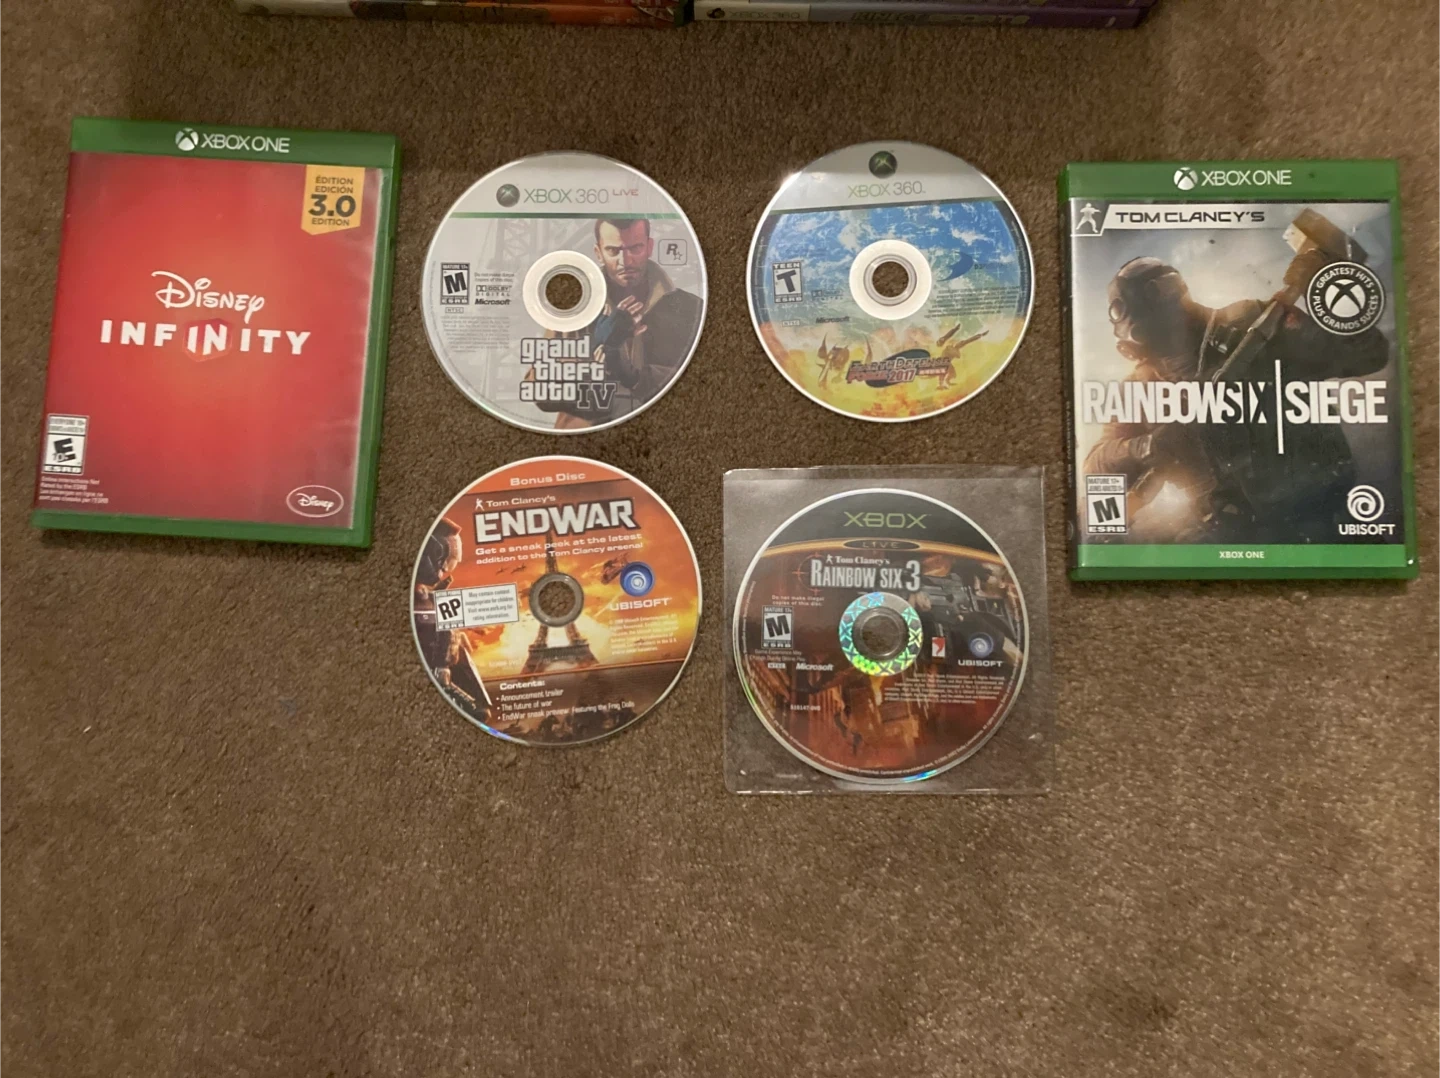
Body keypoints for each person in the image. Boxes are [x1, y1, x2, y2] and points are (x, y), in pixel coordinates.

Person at [1085, 256, 1389, 542]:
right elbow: (1096, 469)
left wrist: (1326, 285)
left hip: (1321, 522)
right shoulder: (1140, 388)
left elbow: (1369, 354)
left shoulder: (1255, 325)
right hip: (1228, 538)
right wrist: (1147, 447)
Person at [541, 217, 702, 430]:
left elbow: (703, 383)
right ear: (598, 252)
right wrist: (592, 349)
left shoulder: (690, 308)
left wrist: (634, 377)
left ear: (649, 247)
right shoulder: (571, 310)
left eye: (635, 248)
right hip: (583, 440)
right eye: (613, 251)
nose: (625, 261)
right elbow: (540, 392)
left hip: (663, 437)